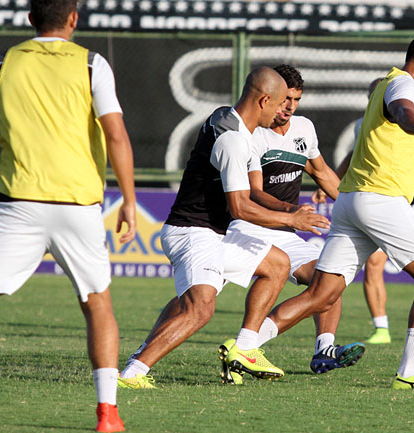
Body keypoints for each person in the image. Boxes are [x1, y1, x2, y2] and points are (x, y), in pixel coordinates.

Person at [231, 32, 414, 390]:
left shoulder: (386, 83)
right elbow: (402, 114)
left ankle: (243, 347)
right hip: (379, 203)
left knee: (321, 294)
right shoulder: (405, 88)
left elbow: (383, 150)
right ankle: (410, 373)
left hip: (352, 201)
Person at [117, 67, 330, 388]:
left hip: (214, 234)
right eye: (279, 104)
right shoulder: (231, 138)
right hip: (191, 232)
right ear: (264, 100)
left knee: (277, 264)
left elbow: (256, 191)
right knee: (200, 309)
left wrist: (292, 209)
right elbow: (240, 207)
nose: (282, 112)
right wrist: (292, 220)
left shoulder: (243, 132)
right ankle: (133, 374)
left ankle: (245, 347)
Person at [0, 1, 136, 431]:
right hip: (77, 205)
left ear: (29, 20)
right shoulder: (92, 64)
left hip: (18, 200)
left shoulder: (6, 63)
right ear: (73, 19)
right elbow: (115, 132)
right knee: (98, 304)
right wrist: (129, 200)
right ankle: (108, 414)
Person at [219, 64, 364, 381]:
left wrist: (356, 206)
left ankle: (323, 351)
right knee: (199, 300)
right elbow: (254, 193)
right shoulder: (253, 133)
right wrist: (291, 211)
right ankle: (244, 348)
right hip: (250, 226)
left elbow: (323, 173)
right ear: (269, 96)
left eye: (296, 100)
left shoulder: (304, 129)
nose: (289, 107)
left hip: (285, 231)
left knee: (328, 281)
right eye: (285, 99)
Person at [317, 77, 414, 345]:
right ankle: (382, 328)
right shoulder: (367, 123)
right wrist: (333, 179)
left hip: (411, 201)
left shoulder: (408, 116)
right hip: (378, 198)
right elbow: (358, 156)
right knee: (375, 264)